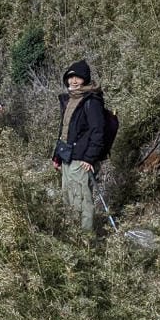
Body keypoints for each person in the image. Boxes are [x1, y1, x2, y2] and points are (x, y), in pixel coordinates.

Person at [51, 60, 108, 234]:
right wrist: (57, 156)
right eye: (70, 77)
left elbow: (99, 131)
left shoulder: (92, 101)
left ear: (85, 79)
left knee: (82, 201)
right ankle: (73, 237)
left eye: (78, 77)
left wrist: (90, 158)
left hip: (82, 159)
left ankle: (86, 240)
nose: (74, 81)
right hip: (68, 156)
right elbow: (64, 130)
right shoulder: (69, 99)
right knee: (68, 198)